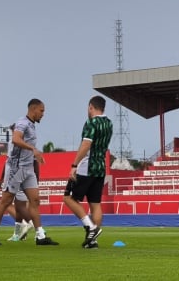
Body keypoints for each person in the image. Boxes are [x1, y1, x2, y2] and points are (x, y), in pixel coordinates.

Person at [0, 99, 58, 246]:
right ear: (33, 109)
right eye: (42, 111)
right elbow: (15, 139)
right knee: (6, 201)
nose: (43, 114)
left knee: (35, 200)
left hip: (28, 169)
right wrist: (33, 149)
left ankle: (40, 236)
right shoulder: (22, 123)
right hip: (16, 168)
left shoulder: (31, 125)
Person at [64, 95, 113, 249]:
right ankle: (93, 241)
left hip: (87, 167)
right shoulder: (109, 123)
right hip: (100, 167)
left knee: (69, 198)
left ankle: (90, 228)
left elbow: (86, 144)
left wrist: (74, 165)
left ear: (91, 107)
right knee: (95, 204)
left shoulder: (91, 122)